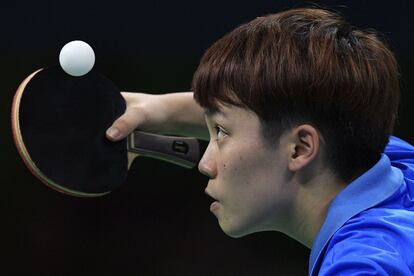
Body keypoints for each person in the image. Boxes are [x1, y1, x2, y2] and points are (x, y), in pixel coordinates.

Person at [105, 8, 414, 275]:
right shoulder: (394, 164)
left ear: (300, 148)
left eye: (222, 133)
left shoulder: (363, 265)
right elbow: (294, 111)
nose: (204, 163)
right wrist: (159, 110)